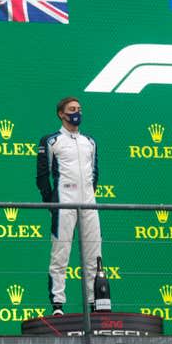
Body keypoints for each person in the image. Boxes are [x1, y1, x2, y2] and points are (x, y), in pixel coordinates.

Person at [36, 97, 101, 315]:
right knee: (60, 253)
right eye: (72, 109)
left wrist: (89, 194)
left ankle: (95, 304)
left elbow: (95, 174)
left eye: (79, 109)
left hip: (89, 203)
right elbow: (42, 176)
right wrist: (51, 202)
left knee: (94, 255)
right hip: (64, 202)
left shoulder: (90, 142)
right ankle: (57, 305)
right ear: (61, 114)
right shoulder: (51, 141)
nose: (77, 113)